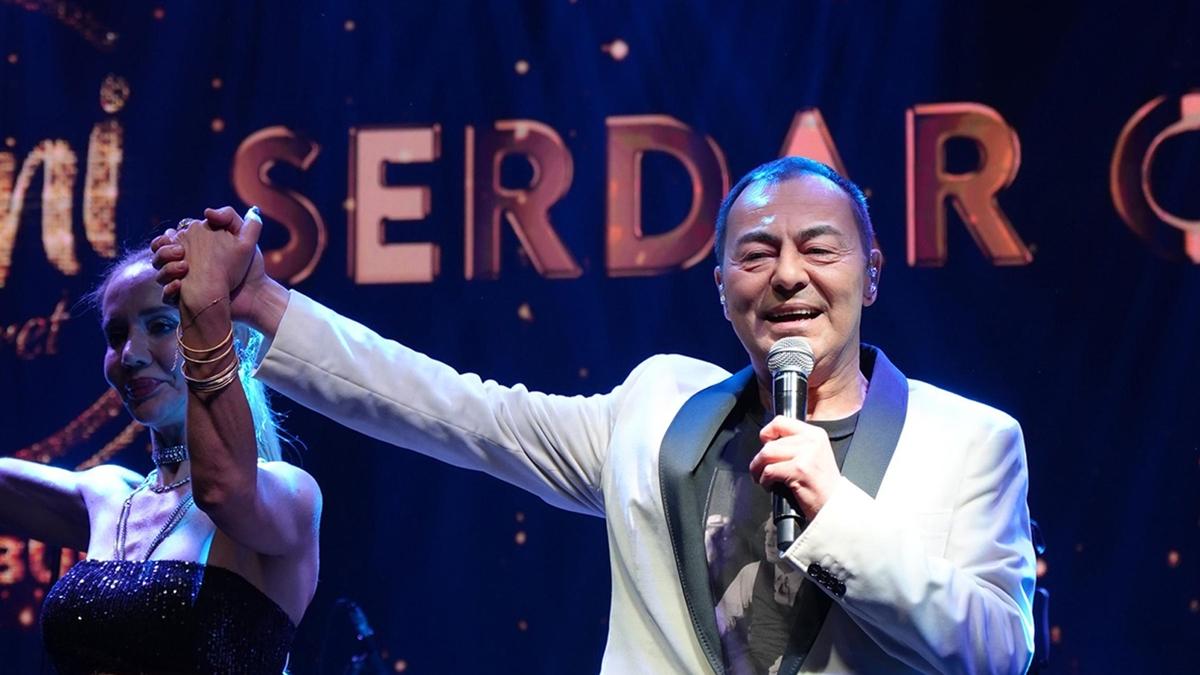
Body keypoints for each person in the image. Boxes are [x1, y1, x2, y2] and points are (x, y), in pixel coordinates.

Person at [156, 158, 1034, 674]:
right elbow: (456, 409)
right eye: (757, 253)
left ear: (870, 274)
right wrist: (263, 303)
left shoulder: (972, 442)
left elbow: (998, 651)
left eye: (819, 248)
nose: (788, 274)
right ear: (722, 287)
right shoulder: (657, 409)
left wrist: (837, 514)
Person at [0, 237, 322, 674]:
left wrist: (209, 309)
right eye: (116, 336)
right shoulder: (109, 495)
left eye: (161, 325)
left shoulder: (289, 494)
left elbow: (222, 490)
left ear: (225, 338)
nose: (130, 355)